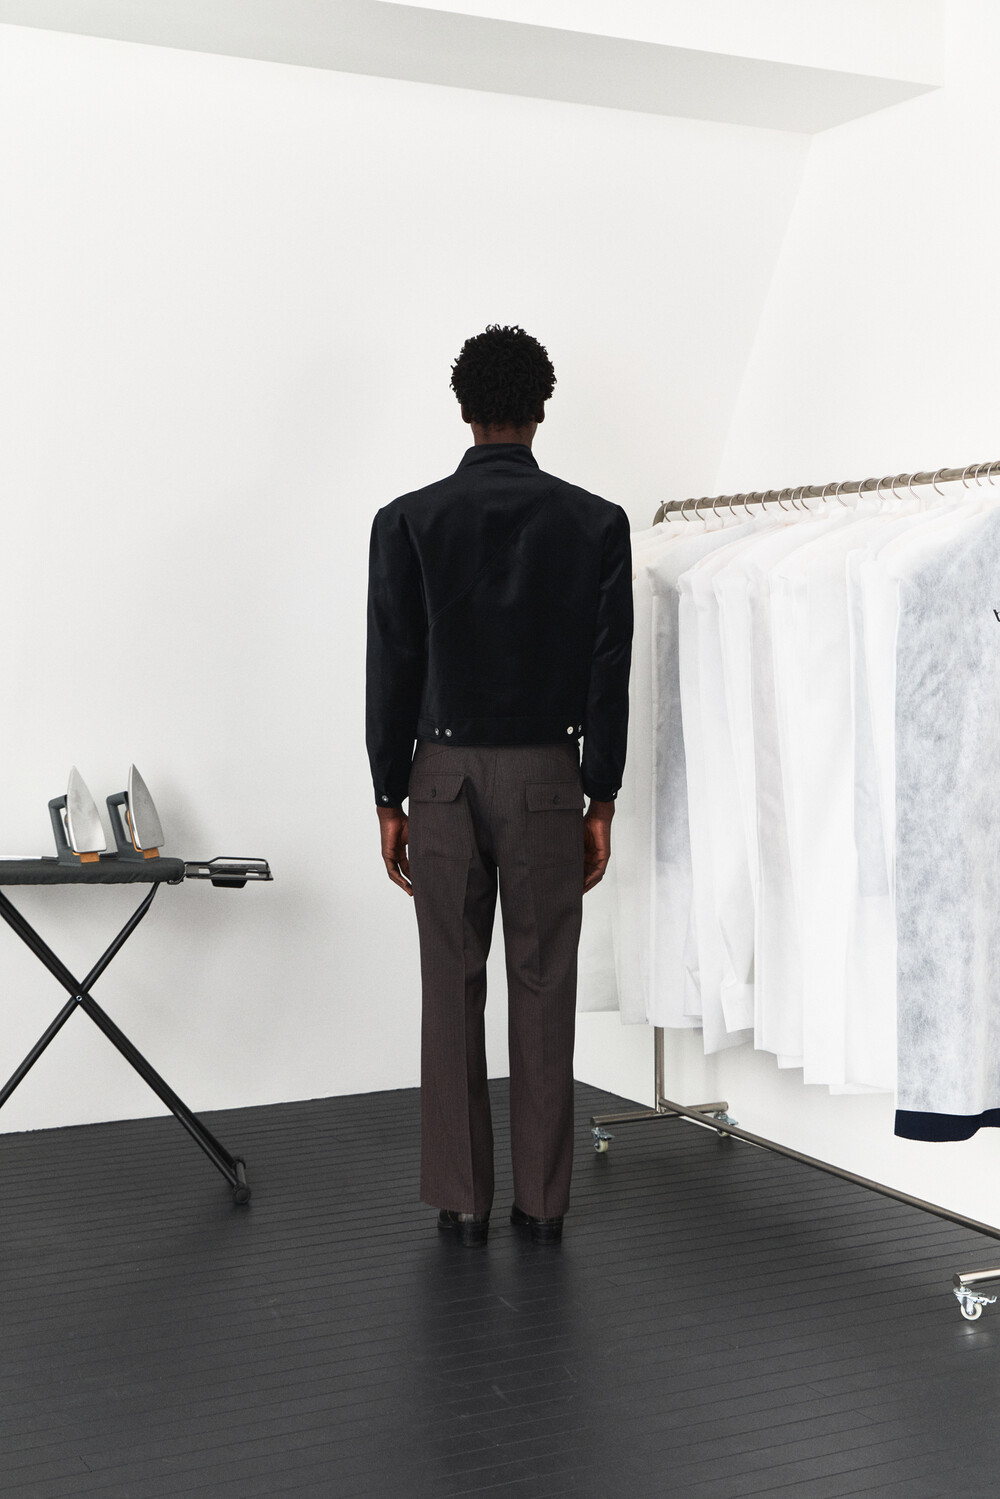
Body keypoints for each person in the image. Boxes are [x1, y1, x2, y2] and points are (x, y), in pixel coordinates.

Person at [366, 324, 632, 1246]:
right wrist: (601, 795)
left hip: (439, 778)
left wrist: (388, 795)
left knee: (451, 983)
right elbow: (607, 673)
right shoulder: (596, 523)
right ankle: (544, 1204)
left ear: (464, 408)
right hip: (550, 777)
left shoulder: (407, 520)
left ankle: (462, 1198)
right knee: (544, 984)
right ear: (541, 408)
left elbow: (392, 666)